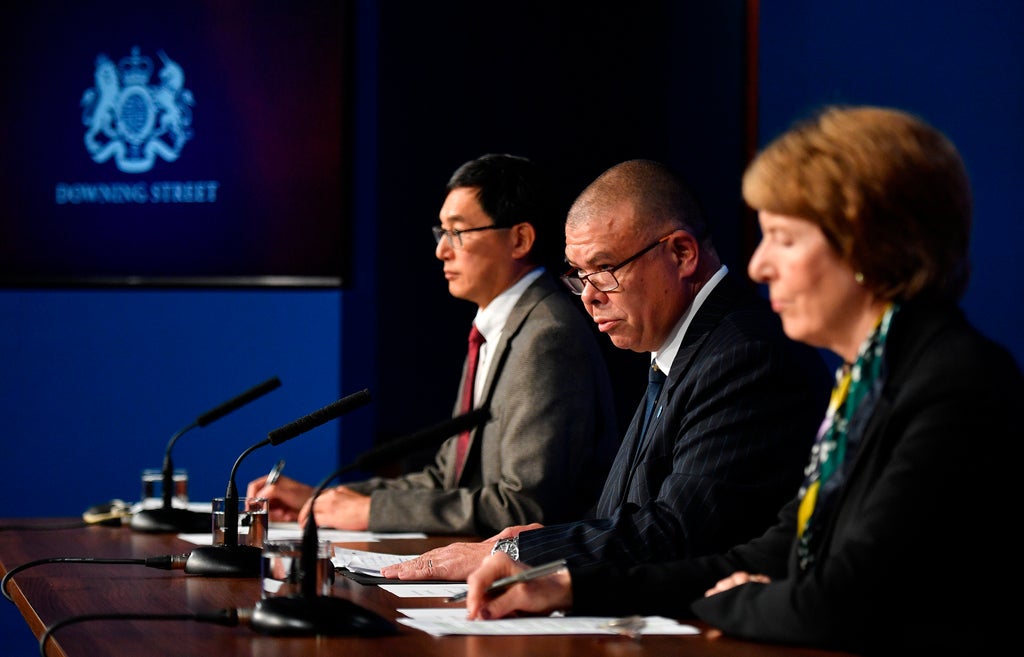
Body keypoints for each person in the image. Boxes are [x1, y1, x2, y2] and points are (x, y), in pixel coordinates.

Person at [462, 106, 1023, 656]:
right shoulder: (871, 377)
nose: (758, 265)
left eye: (784, 238)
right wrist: (571, 587)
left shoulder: (954, 381)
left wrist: (732, 601)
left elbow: (836, 601)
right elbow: (772, 554)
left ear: (872, 245)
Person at [381, 159, 832, 580]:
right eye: (579, 275)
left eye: (604, 268)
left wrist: (519, 553)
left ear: (681, 253)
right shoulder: (679, 347)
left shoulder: (743, 355)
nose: (590, 295)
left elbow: (677, 531)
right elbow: (623, 515)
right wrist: (534, 542)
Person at [248, 153, 620, 535]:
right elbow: (448, 480)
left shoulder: (547, 338)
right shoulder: (498, 329)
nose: (441, 250)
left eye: (457, 232)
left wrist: (371, 512)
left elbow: (525, 507)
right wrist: (325, 499)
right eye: (441, 233)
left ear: (519, 239)